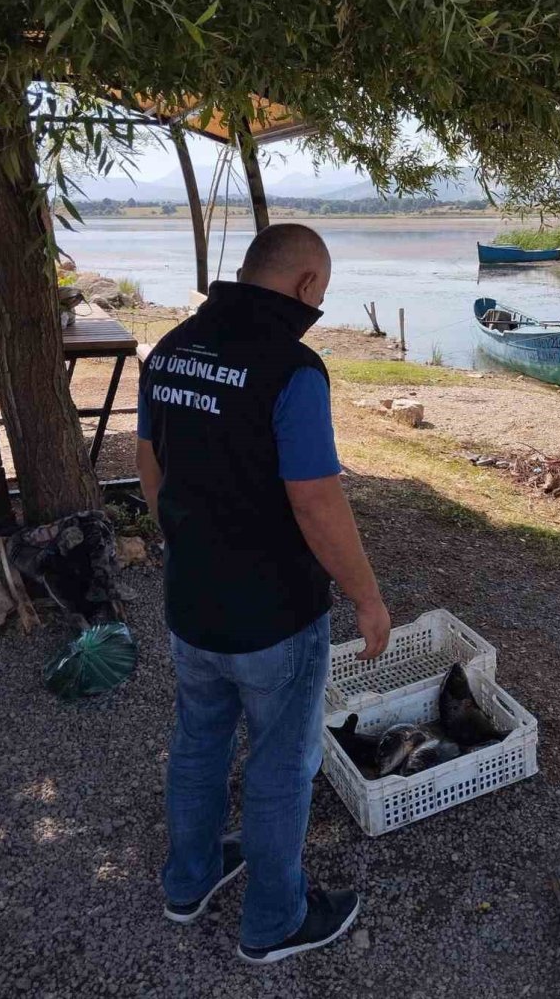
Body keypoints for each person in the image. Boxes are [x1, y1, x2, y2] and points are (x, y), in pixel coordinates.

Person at [136, 223, 391, 965]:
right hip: (275, 613)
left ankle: (189, 881)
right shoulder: (293, 368)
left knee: (199, 740)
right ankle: (274, 920)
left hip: (193, 598)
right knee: (282, 763)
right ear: (309, 285)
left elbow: (151, 461)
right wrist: (367, 598)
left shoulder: (172, 347)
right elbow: (315, 500)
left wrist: (185, 540)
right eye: (323, 290)